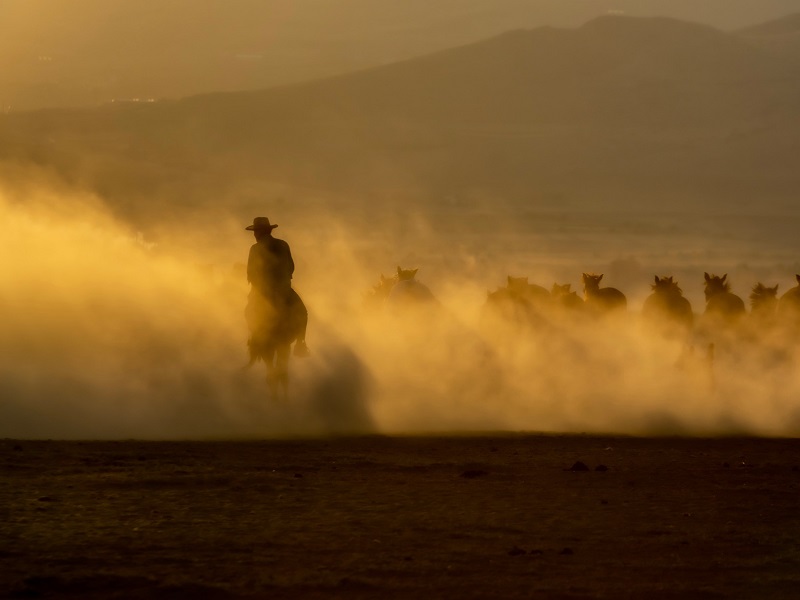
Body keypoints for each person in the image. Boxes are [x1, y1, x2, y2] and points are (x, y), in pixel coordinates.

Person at [245, 217, 309, 357]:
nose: (254, 234)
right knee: (302, 312)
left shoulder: (255, 248)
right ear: (269, 230)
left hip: (263, 290)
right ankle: (301, 343)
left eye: (256, 231)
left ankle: (254, 339)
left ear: (259, 232)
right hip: (284, 289)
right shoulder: (283, 245)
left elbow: (251, 272)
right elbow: (291, 267)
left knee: (249, 312)